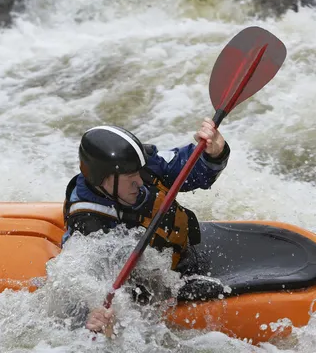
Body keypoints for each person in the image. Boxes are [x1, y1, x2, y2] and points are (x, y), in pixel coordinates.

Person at [61, 118, 230, 335]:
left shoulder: (140, 164)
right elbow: (79, 278)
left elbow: (190, 168)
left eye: (138, 174)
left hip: (183, 260)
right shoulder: (88, 224)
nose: (139, 182)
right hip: (142, 289)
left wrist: (213, 153)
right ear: (102, 179)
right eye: (130, 177)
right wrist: (95, 311)